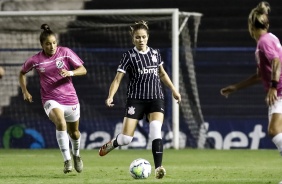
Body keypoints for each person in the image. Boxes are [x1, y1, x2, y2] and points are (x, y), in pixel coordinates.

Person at [98, 20, 181, 179]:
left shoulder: (155, 53)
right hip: (136, 100)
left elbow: (162, 74)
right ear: (133, 39)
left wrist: (173, 90)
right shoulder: (128, 56)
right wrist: (110, 96)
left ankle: (158, 168)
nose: (141, 40)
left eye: (143, 37)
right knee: (126, 139)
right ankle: (113, 143)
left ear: (148, 37)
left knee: (156, 128)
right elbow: (117, 79)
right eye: (137, 37)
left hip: (156, 98)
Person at [19, 24, 87, 174]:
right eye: (48, 44)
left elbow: (83, 69)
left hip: (70, 99)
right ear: (42, 45)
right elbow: (22, 73)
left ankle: (76, 155)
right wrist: (25, 91)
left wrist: (70, 73)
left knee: (74, 132)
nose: (52, 46)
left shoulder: (66, 53)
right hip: (50, 99)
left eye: (54, 42)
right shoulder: (36, 60)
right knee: (60, 123)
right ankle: (67, 160)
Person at [220, 2, 282, 154]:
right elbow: (260, 76)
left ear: (250, 26)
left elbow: (276, 61)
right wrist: (236, 87)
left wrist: (273, 87)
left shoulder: (264, 42)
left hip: (279, 91)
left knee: (274, 130)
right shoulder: (271, 38)